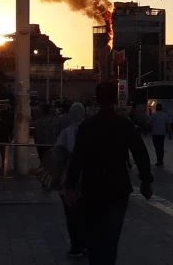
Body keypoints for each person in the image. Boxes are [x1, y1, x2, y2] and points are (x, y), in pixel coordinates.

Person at [64, 82, 153, 265]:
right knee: (111, 239)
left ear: (97, 99)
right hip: (118, 189)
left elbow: (77, 157)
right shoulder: (124, 125)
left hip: (92, 189)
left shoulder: (87, 126)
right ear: (114, 99)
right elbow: (140, 153)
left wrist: (70, 186)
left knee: (94, 238)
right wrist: (146, 180)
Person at [54, 102, 87, 258]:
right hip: (87, 179)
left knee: (71, 214)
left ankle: (76, 245)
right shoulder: (90, 132)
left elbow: (58, 154)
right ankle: (86, 243)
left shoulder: (66, 133)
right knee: (85, 213)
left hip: (68, 179)